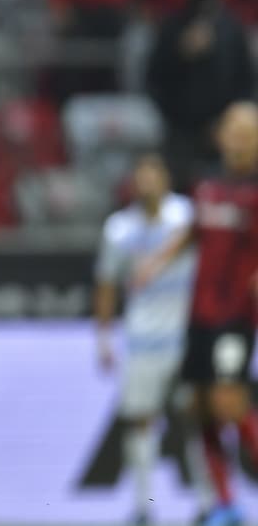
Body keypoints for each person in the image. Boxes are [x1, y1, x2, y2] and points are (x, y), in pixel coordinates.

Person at [136, 102, 258, 526]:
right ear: (220, 135)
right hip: (200, 315)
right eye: (232, 128)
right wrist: (155, 261)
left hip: (237, 316)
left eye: (247, 130)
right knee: (200, 409)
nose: (239, 137)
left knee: (231, 405)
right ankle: (226, 505)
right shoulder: (207, 183)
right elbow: (193, 232)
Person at [94, 153, 211, 526]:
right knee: (140, 420)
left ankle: (210, 502)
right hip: (142, 339)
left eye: (154, 173)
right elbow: (107, 285)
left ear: (166, 177)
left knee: (196, 418)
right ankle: (144, 506)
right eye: (140, 174)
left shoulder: (189, 216)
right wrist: (103, 337)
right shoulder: (118, 229)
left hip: (186, 335)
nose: (147, 181)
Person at [146, 0, 254, 189]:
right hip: (180, 133)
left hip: (223, 135)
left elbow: (246, 82)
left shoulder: (232, 29)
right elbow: (153, 79)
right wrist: (180, 53)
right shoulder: (172, 27)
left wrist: (229, 124)